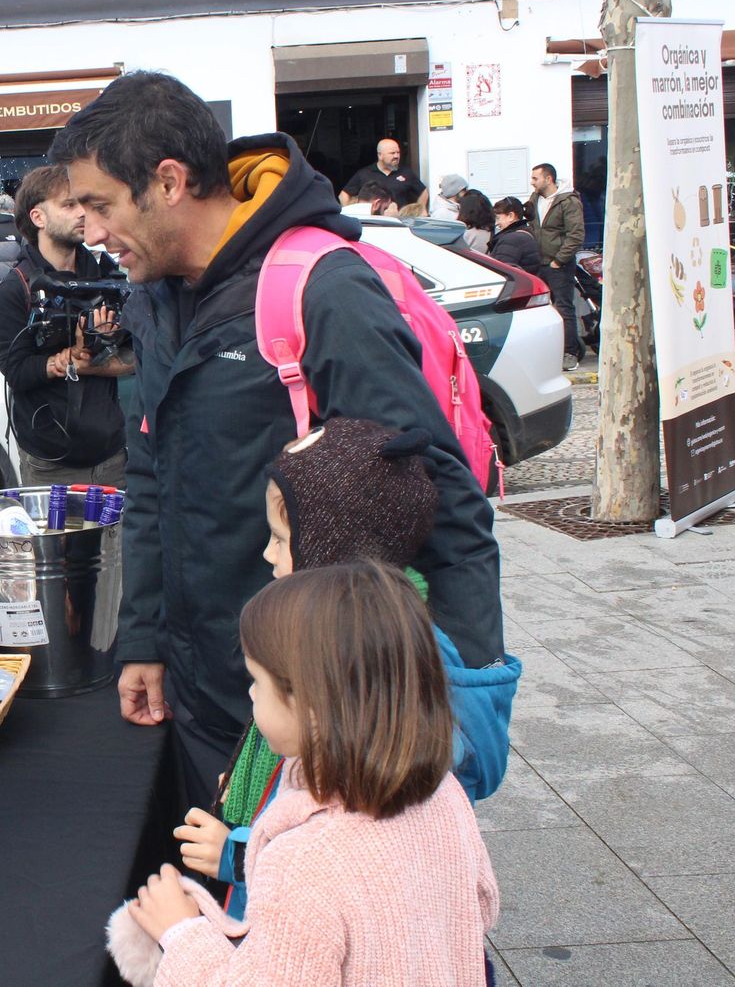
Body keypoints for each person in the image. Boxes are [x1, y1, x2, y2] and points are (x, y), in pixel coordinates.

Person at [47, 71, 503, 813]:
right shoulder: (158, 297)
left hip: (319, 707)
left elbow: (443, 502)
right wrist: (143, 639)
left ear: (169, 182)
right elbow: (153, 477)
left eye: (100, 206)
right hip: (207, 692)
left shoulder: (322, 291)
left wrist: (463, 700)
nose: (91, 234)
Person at [173, 418, 519, 922]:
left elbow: (357, 828)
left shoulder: (383, 662)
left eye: (279, 538)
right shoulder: (360, 644)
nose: (267, 554)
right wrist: (259, 787)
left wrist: (240, 853)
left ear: (332, 551)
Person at [106, 563, 500, 987]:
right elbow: (482, 903)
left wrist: (181, 933)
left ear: (311, 706)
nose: (251, 693)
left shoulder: (304, 863)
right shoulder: (445, 794)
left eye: (258, 680)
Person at [0, 164, 131, 488]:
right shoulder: (16, 289)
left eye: (84, 203)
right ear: (38, 217)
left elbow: (138, 356)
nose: (83, 213)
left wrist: (96, 353)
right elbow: (17, 372)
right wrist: (74, 356)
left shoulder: (106, 278)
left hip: (111, 456)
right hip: (51, 463)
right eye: (69, 205)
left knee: (118, 542)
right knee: (61, 541)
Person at [527, 162, 586, 371]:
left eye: (535, 178)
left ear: (548, 179)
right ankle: (549, 352)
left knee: (563, 307)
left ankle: (569, 353)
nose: (532, 182)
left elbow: (576, 234)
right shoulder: (534, 200)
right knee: (542, 308)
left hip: (558, 264)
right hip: (539, 262)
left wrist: (559, 260)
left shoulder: (567, 201)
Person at [337, 138, 426, 208]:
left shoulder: (406, 172)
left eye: (398, 152)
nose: (396, 156)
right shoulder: (364, 173)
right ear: (380, 155)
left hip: (400, 223)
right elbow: (343, 196)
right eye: (392, 153)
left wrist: (420, 211)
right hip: (374, 224)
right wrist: (354, 216)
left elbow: (423, 192)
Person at [489, 196, 541, 273]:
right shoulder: (525, 233)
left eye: (498, 218)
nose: (496, 223)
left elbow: (501, 271)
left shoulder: (512, 239)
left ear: (511, 216)